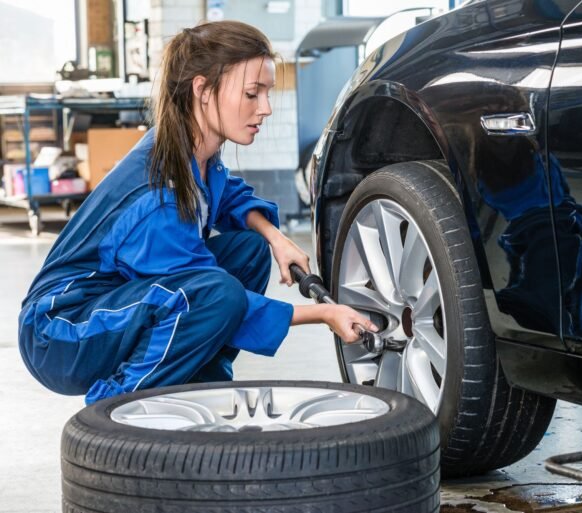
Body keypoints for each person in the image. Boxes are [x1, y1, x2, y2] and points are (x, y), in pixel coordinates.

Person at [17, 21, 377, 405]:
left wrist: (277, 238)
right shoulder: (159, 194)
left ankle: (202, 378)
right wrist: (323, 314)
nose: (266, 109)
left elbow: (228, 197)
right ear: (202, 90)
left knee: (250, 250)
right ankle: (117, 407)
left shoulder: (191, 149)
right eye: (252, 94)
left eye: (267, 94)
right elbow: (207, 295)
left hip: (113, 301)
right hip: (61, 332)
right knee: (217, 294)